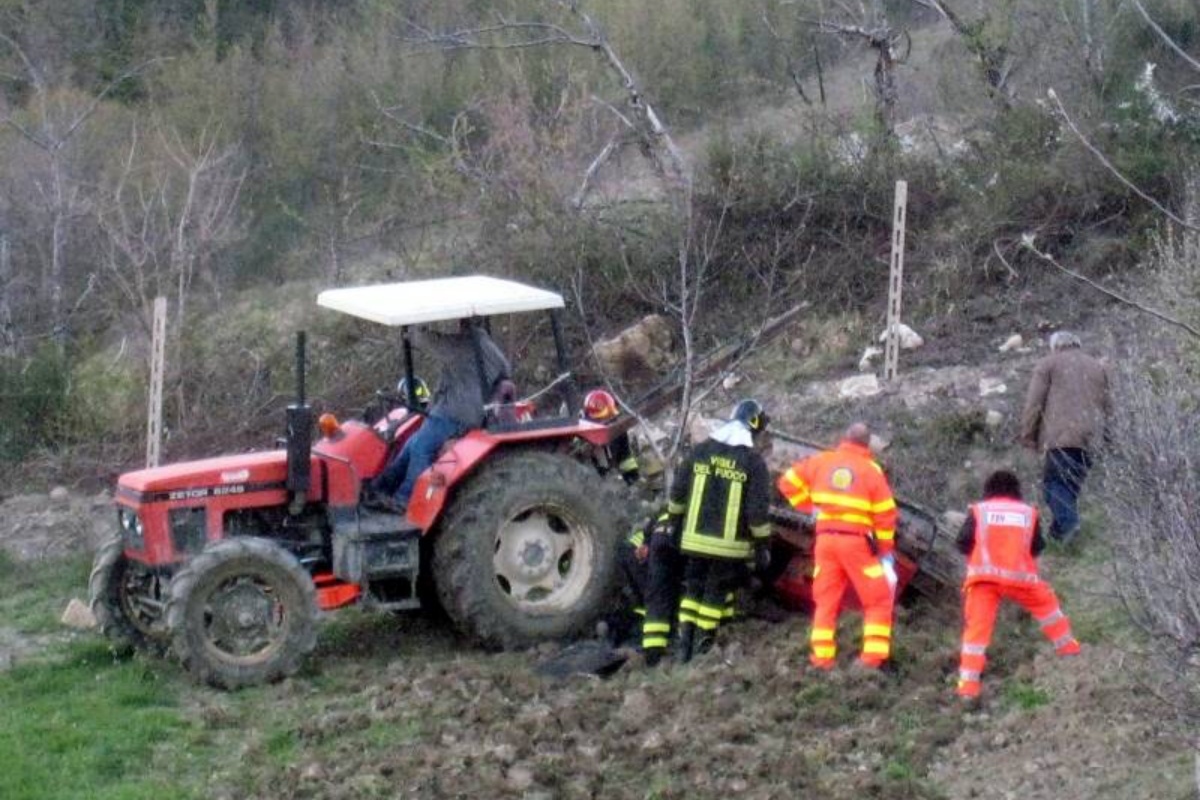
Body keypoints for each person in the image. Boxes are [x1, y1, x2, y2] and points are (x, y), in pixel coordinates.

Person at [777, 423, 898, 671]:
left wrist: (811, 507)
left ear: (843, 439)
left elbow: (786, 483)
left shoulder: (821, 460)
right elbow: (886, 516)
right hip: (856, 543)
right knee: (878, 600)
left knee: (826, 601)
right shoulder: (871, 470)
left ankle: (822, 660)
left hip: (825, 542)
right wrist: (885, 552)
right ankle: (871, 660)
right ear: (866, 446)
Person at [661, 399, 773, 663]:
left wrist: (674, 525)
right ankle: (703, 645)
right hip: (728, 546)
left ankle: (683, 646)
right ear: (753, 426)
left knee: (693, 589)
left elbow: (677, 493)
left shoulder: (700, 451)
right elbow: (757, 513)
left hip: (693, 540)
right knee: (714, 591)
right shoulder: (753, 462)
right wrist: (762, 545)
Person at [955, 469, 1080, 701]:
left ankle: (968, 689)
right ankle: (1068, 649)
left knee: (976, 633)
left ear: (988, 490)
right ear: (1016, 491)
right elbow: (1037, 547)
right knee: (1048, 606)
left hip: (984, 580)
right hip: (1020, 578)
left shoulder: (979, 511)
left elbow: (962, 543)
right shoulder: (1028, 513)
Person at [372, 321, 511, 511]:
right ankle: (381, 487)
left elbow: (432, 343)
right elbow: (505, 370)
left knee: (421, 447)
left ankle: (404, 500)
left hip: (457, 412)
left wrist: (413, 330)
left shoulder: (466, 345)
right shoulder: (489, 348)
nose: (458, 325)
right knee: (411, 443)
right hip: (456, 408)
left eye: (461, 321)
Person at [1019, 331, 1111, 544]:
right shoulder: (1097, 367)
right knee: (1070, 488)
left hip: (1059, 437)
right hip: (1090, 439)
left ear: (1055, 346)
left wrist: (1027, 435)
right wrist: (1108, 437)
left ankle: (1070, 526)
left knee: (1053, 486)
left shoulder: (1048, 364)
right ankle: (1058, 537)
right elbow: (1108, 406)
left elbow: (1034, 403)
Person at [582, 388, 640, 484]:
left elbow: (625, 457)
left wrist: (632, 477)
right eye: (605, 417)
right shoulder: (581, 437)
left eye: (610, 417)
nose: (609, 421)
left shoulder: (618, 431)